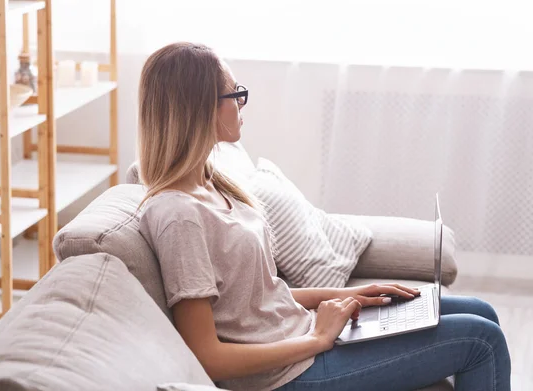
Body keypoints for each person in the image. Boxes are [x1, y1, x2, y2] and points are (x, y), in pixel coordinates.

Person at [136, 42, 511, 391]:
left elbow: (258, 298)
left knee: (481, 311)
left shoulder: (213, 181)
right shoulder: (178, 216)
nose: (242, 105)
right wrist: (317, 339)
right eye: (236, 95)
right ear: (199, 108)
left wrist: (349, 295)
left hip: (304, 336)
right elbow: (208, 357)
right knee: (482, 341)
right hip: (289, 372)